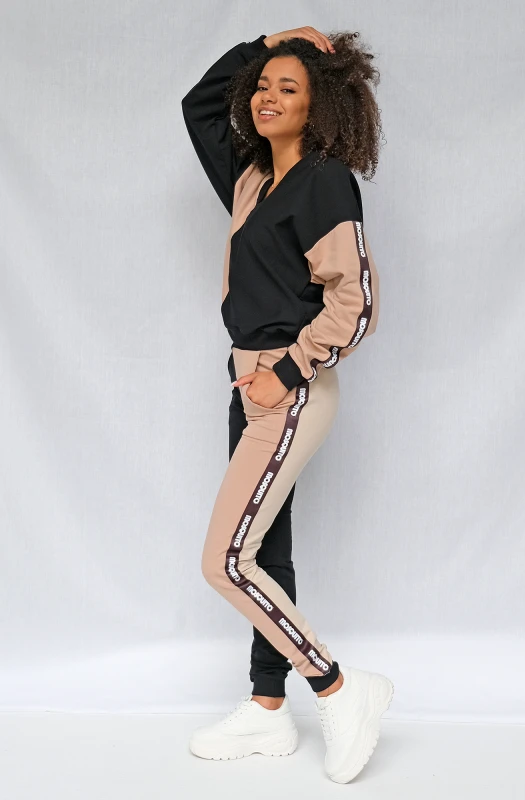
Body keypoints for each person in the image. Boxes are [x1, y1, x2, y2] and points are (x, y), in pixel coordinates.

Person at [181, 26, 393, 783]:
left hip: (288, 387)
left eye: (289, 87)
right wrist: (266, 44)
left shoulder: (325, 182)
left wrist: (289, 371)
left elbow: (356, 306)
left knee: (224, 561)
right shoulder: (252, 179)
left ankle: (335, 686)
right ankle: (268, 708)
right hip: (249, 381)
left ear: (319, 104)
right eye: (263, 86)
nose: (268, 97)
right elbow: (199, 105)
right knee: (263, 551)